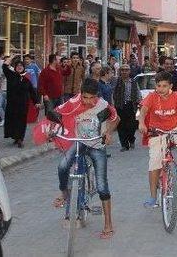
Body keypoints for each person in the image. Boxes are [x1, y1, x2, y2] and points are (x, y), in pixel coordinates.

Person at [47, 78, 119, 240]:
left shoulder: (103, 105)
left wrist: (108, 132)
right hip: (79, 143)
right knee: (63, 166)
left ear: (97, 95)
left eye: (91, 97)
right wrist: (52, 128)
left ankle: (108, 224)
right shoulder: (74, 102)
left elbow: (116, 119)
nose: (88, 101)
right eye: (85, 97)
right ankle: (65, 193)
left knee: (102, 186)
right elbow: (58, 113)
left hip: (97, 145)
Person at [138, 71, 177, 208]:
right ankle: (153, 197)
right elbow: (143, 111)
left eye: (164, 86)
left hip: (175, 127)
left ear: (171, 86)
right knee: (154, 163)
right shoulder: (152, 96)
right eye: (158, 85)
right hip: (156, 131)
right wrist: (141, 123)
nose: (160, 89)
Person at [3, 58, 38, 148]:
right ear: (15, 67)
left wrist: (36, 102)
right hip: (12, 104)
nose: (19, 67)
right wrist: (10, 58)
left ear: (24, 68)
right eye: (18, 66)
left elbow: (32, 92)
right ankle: (16, 137)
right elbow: (4, 66)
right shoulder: (11, 75)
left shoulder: (26, 80)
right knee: (14, 121)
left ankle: (20, 139)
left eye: (21, 66)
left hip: (23, 104)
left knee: (22, 121)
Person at [113, 65, 141, 152]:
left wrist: (139, 103)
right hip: (120, 106)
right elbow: (113, 93)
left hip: (131, 105)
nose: (124, 72)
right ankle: (124, 145)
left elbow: (138, 92)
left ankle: (131, 139)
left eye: (126, 70)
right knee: (121, 126)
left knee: (131, 126)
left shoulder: (133, 81)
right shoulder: (116, 81)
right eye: (123, 70)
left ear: (129, 71)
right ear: (120, 71)